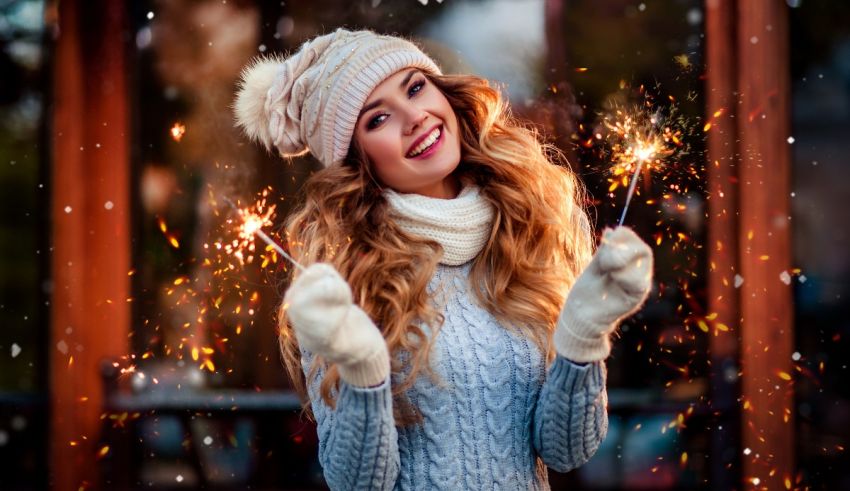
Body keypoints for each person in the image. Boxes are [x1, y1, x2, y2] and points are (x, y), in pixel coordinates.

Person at [234, 28, 653, 490]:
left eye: (415, 87)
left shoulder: (524, 235)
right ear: (357, 162)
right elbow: (356, 483)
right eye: (377, 120)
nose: (414, 117)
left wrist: (584, 335)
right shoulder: (341, 283)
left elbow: (567, 450)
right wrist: (362, 372)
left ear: (444, 93)